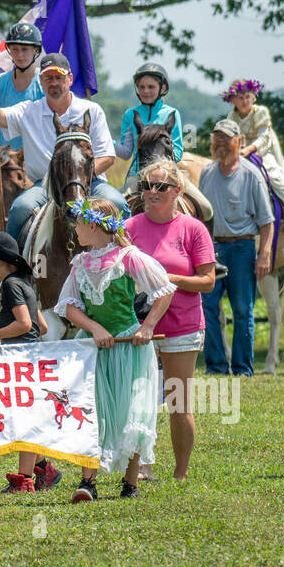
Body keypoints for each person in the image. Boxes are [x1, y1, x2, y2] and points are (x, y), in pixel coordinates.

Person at [54, 198, 175, 502]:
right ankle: (88, 481)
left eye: (78, 224)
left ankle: (130, 483)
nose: (75, 230)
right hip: (94, 348)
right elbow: (68, 306)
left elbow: (164, 290)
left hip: (128, 347)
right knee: (91, 409)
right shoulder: (79, 263)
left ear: (93, 225)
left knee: (131, 409)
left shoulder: (128, 257)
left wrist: (147, 327)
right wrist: (94, 328)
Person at [0, 52, 128, 242]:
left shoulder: (91, 110)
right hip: (44, 185)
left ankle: (130, 257)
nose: (54, 82)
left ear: (70, 79)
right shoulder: (28, 110)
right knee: (18, 210)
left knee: (118, 204)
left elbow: (107, 157)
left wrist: (76, 181)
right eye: (48, 78)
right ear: (41, 81)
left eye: (59, 77)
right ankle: (15, 265)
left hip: (90, 184)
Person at [125, 159, 216, 480]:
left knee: (178, 402)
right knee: (139, 401)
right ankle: (142, 468)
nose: (152, 191)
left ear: (177, 190)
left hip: (182, 325)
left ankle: (180, 473)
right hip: (138, 327)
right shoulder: (129, 228)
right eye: (147, 185)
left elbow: (208, 281)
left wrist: (169, 279)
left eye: (160, 186)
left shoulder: (193, 229)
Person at [0, 226, 60, 493]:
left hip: (21, 361)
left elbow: (24, 323)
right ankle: (45, 470)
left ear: (0, 262)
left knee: (24, 419)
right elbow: (42, 327)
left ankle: (24, 480)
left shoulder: (8, 286)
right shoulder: (23, 284)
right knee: (24, 417)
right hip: (32, 356)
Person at [199, 119, 274, 377]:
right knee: (207, 307)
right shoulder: (207, 173)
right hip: (212, 249)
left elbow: (266, 221)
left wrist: (264, 254)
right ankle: (216, 366)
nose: (219, 142)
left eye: (225, 138)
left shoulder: (250, 175)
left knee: (243, 310)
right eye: (216, 138)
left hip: (241, 248)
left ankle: (242, 368)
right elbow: (201, 219)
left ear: (238, 141)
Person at [223, 78, 284, 234]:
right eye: (240, 97)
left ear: (254, 97)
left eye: (248, 97)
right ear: (233, 100)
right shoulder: (231, 118)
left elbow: (264, 136)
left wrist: (249, 149)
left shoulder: (261, 112)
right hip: (240, 152)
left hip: (264, 149)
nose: (245, 101)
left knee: (273, 173)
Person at [115, 62, 184, 189]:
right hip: (137, 177)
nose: (145, 91)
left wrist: (161, 154)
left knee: (204, 205)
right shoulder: (130, 114)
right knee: (116, 205)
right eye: (141, 87)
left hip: (168, 175)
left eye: (151, 87)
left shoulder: (172, 113)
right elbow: (125, 152)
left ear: (162, 88)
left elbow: (178, 152)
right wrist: (107, 141)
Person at [0, 22, 46, 151]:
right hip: (5, 160)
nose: (20, 55)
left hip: (38, 157)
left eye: (25, 49)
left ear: (36, 50)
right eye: (15, 49)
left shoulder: (46, 82)